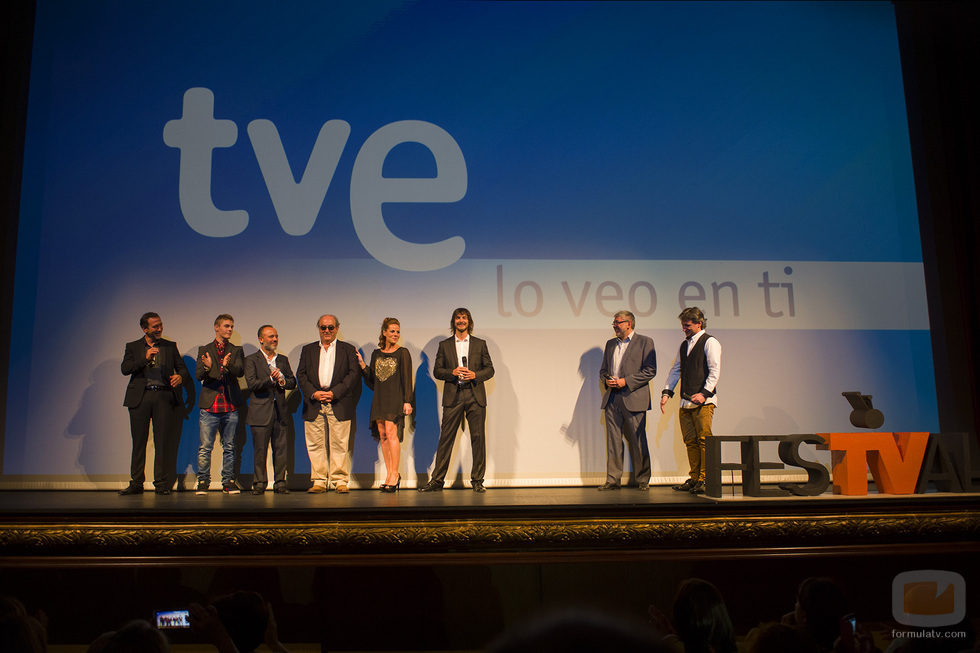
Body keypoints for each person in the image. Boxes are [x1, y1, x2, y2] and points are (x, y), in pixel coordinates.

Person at [419, 307, 495, 493]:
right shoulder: (445, 345)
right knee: (446, 439)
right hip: (454, 395)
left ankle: (477, 481)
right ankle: (437, 481)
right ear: (453, 322)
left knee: (478, 439)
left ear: (469, 321)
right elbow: (437, 371)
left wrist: (475, 374)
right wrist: (452, 373)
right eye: (458, 318)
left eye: (464, 318)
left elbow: (490, 369)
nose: (461, 321)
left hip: (475, 395)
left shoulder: (480, 344)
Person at [120, 312, 190, 495]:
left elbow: (182, 368)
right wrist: (145, 357)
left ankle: (161, 484)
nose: (159, 329)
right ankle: (136, 483)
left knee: (162, 442)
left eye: (160, 325)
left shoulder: (169, 346)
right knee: (139, 442)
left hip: (163, 397)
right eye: (155, 327)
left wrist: (179, 376)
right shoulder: (133, 347)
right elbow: (125, 369)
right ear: (145, 329)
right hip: (140, 398)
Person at [296, 314, 360, 493]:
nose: (327, 331)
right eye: (323, 327)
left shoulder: (347, 349)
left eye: (330, 327)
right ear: (318, 329)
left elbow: (353, 374)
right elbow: (301, 375)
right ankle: (318, 481)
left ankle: (339, 481)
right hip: (314, 403)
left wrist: (334, 393)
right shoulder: (308, 350)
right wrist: (314, 393)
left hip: (338, 401)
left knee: (339, 444)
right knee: (315, 444)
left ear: (337, 329)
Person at [660, 307, 721, 495]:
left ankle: (705, 478)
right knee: (690, 441)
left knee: (704, 440)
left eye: (687, 325)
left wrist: (703, 393)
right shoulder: (684, 345)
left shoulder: (710, 342)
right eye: (683, 325)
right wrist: (667, 392)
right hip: (685, 401)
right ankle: (694, 477)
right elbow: (676, 370)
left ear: (698, 323)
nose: (684, 329)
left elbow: (714, 371)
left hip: (704, 402)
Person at [598, 310, 657, 490]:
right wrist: (607, 379)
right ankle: (613, 480)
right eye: (614, 323)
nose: (614, 325)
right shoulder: (610, 344)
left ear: (629, 323)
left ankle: (642, 480)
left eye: (617, 322)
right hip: (612, 398)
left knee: (638, 440)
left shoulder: (645, 342)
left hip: (634, 397)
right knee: (613, 441)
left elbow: (650, 370)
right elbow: (603, 371)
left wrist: (626, 381)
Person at [357, 317, 414, 492]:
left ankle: (395, 474)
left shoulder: (402, 352)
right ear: (384, 332)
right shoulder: (376, 353)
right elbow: (374, 381)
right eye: (392, 331)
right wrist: (362, 365)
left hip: (395, 398)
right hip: (380, 399)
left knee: (391, 433)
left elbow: (406, 378)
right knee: (382, 435)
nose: (395, 334)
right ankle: (389, 474)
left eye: (397, 331)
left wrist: (407, 401)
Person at [195, 314, 245, 495]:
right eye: (226, 326)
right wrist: (215, 369)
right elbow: (199, 375)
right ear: (216, 327)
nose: (230, 329)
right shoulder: (205, 349)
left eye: (232, 326)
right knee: (205, 447)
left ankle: (228, 482)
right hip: (210, 405)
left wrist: (225, 366)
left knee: (229, 446)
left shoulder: (236, 350)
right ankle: (202, 481)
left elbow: (239, 371)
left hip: (230, 405)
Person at [244, 325, 296, 495]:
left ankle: (280, 482)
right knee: (260, 450)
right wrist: (270, 379)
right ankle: (259, 483)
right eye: (271, 337)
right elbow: (252, 384)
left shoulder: (282, 359)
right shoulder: (251, 360)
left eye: (276, 336)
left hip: (279, 410)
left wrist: (281, 379)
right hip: (260, 410)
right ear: (261, 339)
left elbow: (291, 382)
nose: (274, 339)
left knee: (281, 449)